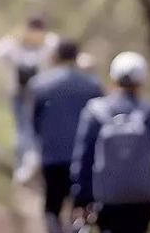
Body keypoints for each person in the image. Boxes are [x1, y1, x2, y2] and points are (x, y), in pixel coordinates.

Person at [71, 51, 150, 233]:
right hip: (142, 200)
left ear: (112, 78)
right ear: (142, 80)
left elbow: (83, 159)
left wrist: (81, 198)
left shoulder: (94, 112)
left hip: (105, 199)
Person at [29, 39, 104, 233]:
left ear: (56, 56)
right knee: (81, 209)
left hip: (52, 156)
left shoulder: (39, 85)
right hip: (85, 159)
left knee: (52, 207)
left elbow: (34, 123)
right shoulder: (92, 86)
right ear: (77, 57)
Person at [0, 15, 59, 181]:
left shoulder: (49, 44)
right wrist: (13, 41)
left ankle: (34, 163)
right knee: (22, 129)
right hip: (19, 93)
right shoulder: (14, 44)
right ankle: (24, 165)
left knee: (37, 130)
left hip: (41, 96)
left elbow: (60, 51)